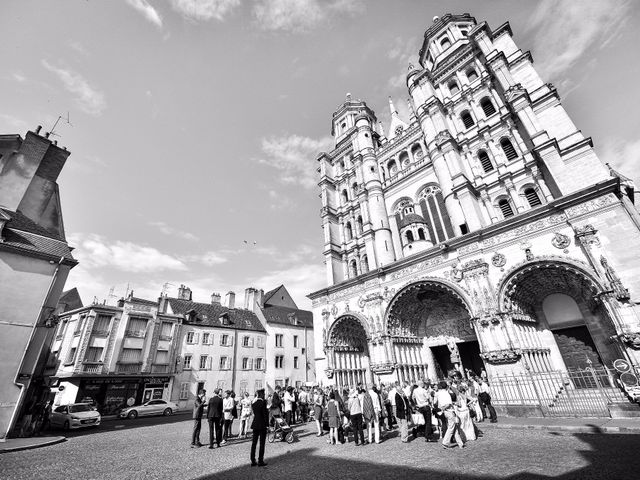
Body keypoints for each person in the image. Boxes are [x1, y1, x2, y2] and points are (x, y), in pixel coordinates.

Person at [435, 381, 464, 449]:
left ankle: (460, 443)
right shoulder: (446, 394)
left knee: (454, 427)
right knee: (451, 427)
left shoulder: (439, 393)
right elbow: (448, 404)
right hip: (449, 411)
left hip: (445, 412)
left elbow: (438, 403)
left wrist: (442, 409)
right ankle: (445, 442)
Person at [250, 389, 269, 467]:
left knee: (254, 443)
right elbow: (265, 415)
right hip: (262, 425)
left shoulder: (254, 404)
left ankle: (253, 460)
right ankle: (260, 460)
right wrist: (267, 425)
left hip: (255, 424)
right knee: (262, 443)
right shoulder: (263, 403)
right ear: (261, 395)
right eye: (264, 394)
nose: (264, 395)